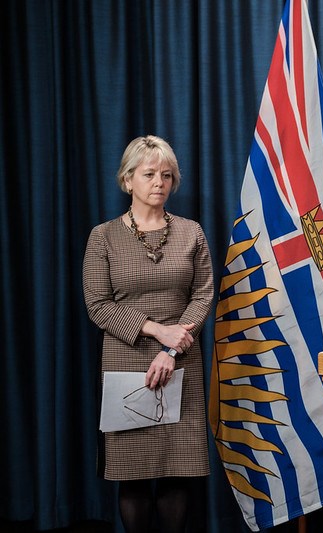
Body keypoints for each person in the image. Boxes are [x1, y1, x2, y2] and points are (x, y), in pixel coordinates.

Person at [83, 135, 214, 533]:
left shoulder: (192, 233)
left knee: (176, 473)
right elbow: (98, 305)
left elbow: (204, 292)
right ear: (128, 180)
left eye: (167, 175)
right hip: (128, 360)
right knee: (134, 475)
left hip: (181, 359)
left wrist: (172, 350)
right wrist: (159, 332)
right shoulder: (103, 237)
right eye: (149, 174)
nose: (160, 182)